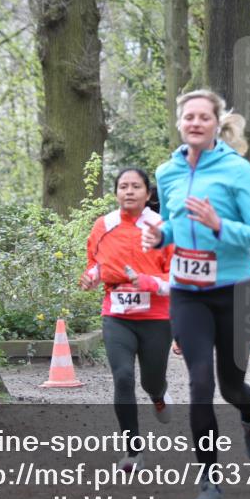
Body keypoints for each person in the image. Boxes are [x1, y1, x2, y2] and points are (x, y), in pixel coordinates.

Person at [141, 89, 250, 499]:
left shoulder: (237, 171)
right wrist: (162, 235)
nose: (195, 123)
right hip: (186, 291)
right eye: (188, 117)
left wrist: (219, 225)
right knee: (199, 386)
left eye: (203, 117)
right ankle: (210, 483)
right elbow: (176, 222)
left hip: (233, 289)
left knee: (231, 387)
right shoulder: (167, 171)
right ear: (180, 123)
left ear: (217, 124)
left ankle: (249, 415)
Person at [80, 168, 174, 472]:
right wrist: (91, 277)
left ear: (148, 194)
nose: (129, 191)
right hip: (117, 316)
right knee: (122, 377)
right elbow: (97, 264)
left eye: (136, 187)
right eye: (123, 186)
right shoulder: (103, 225)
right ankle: (133, 452)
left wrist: (148, 282)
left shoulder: (162, 228)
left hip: (157, 317)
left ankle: (158, 393)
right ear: (116, 192)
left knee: (151, 380)